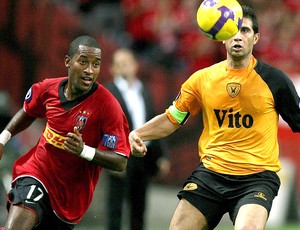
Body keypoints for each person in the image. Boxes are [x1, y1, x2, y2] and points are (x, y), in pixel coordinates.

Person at [129, 5, 300, 230]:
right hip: (211, 175)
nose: (238, 36)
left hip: (257, 178)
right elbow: (172, 119)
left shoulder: (275, 81)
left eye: (245, 31)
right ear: (222, 37)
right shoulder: (201, 79)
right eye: (232, 31)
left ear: (256, 37)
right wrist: (138, 133)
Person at [0, 35, 130, 230]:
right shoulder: (47, 89)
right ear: (68, 62)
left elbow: (120, 161)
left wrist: (84, 151)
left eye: (96, 64)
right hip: (36, 172)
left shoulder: (108, 107)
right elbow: (28, 111)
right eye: (83, 62)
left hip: (70, 199)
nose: (89, 70)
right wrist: (2, 139)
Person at [105, 48, 169, 230]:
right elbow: (102, 127)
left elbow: (154, 122)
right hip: (120, 155)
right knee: (115, 208)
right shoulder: (108, 92)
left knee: (139, 208)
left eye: (126, 63)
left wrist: (161, 155)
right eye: (118, 64)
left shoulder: (143, 90)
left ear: (135, 65)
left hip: (143, 155)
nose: (123, 67)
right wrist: (109, 156)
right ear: (112, 69)